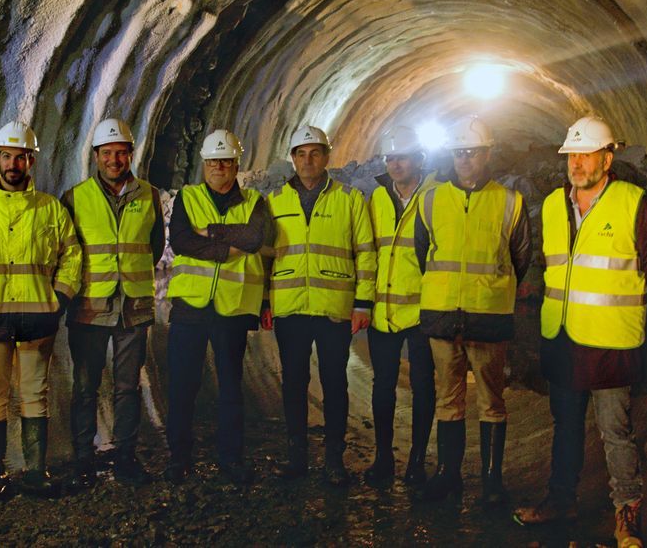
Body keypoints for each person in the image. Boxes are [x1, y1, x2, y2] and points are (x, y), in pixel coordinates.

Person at [513, 116, 647, 548]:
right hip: (563, 338)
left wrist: (624, 310)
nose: (577, 163)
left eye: (586, 154)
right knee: (565, 425)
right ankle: (561, 500)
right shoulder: (550, 206)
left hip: (610, 343)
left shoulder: (636, 203)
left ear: (608, 157)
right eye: (571, 155)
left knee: (615, 430)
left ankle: (627, 513)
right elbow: (544, 265)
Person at [0, 121, 82, 500]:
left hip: (38, 315)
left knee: (35, 393)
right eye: (7, 156)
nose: (13, 164)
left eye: (21, 157)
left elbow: (71, 255)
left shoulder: (50, 210)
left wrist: (60, 298)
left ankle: (35, 473)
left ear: (31, 161)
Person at [414, 116, 532, 504]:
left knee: (491, 399)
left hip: (487, 316)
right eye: (459, 152)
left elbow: (520, 258)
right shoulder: (430, 199)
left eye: (473, 152)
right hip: (443, 314)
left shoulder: (509, 202)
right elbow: (423, 255)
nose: (465, 159)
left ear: (487, 154)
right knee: (448, 398)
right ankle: (449, 475)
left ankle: (491, 481)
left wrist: (488, 291)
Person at [264, 125, 376, 486]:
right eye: (301, 153)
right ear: (292, 159)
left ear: (327, 157)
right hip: (290, 308)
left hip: (334, 308)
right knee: (293, 383)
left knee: (334, 383)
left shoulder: (349, 199)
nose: (307, 160)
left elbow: (366, 254)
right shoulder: (275, 202)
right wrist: (265, 301)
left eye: (315, 153)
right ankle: (297, 459)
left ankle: (333, 461)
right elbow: (265, 258)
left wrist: (363, 303)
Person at [164, 129, 273, 485]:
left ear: (236, 164)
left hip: (232, 308)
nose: (219, 168)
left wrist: (209, 235)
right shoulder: (188, 197)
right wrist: (227, 246)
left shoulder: (255, 201)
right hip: (190, 307)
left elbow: (255, 239)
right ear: (204, 164)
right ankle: (179, 458)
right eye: (213, 162)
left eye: (226, 161)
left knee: (231, 387)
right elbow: (181, 242)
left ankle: (231, 459)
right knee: (182, 386)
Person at [61, 118, 164, 487]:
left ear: (130, 154)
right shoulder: (75, 198)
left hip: (132, 308)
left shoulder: (149, 196)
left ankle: (125, 457)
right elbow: (67, 252)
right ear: (96, 156)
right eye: (107, 153)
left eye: (121, 153)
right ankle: (83, 460)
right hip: (89, 307)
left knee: (127, 386)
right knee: (85, 387)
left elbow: (154, 247)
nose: (115, 160)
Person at [364, 126, 441, 488]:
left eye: (402, 157)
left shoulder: (437, 196)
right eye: (390, 158)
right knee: (383, 387)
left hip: (423, 313)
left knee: (424, 387)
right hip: (384, 312)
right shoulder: (378, 198)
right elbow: (368, 252)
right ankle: (383, 459)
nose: (395, 164)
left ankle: (416, 462)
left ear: (419, 159)